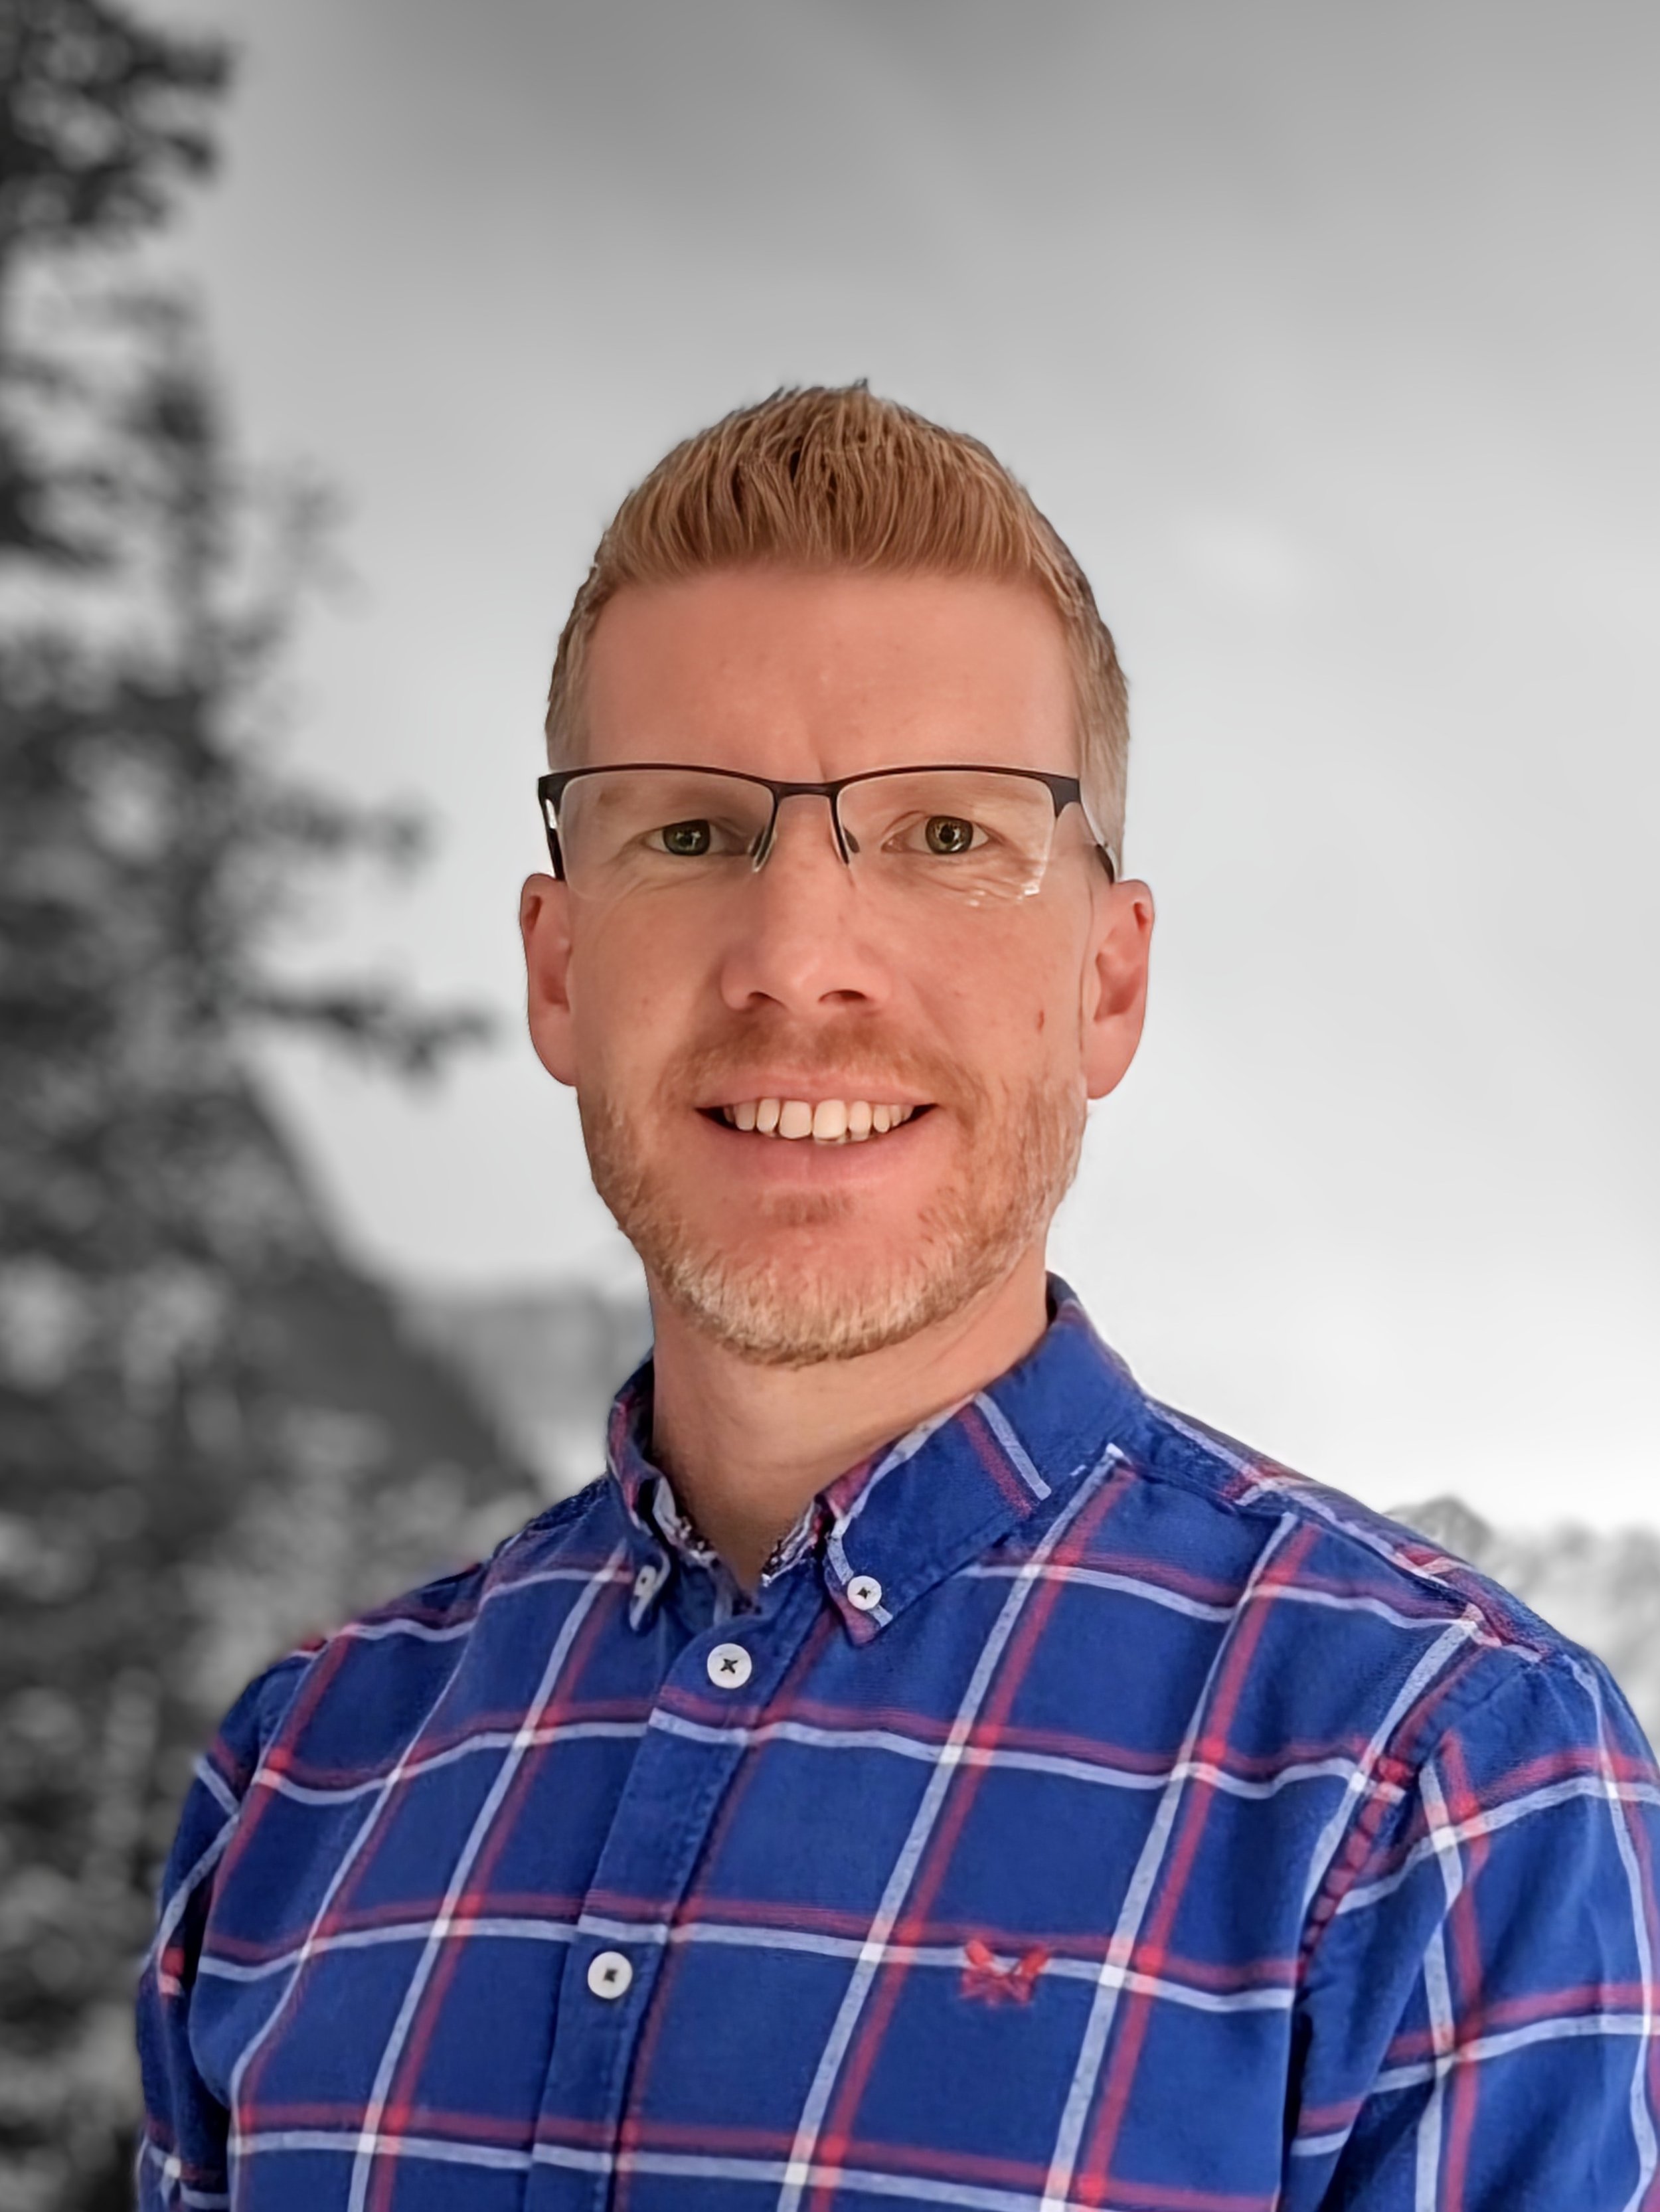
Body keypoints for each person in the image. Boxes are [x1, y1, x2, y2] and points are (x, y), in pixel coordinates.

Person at [137, 385, 1660, 2211]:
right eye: (689, 832)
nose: (796, 961)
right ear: (555, 968)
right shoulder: (305, 1779)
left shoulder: (1434, 1785)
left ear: (1108, 980)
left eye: (943, 835)